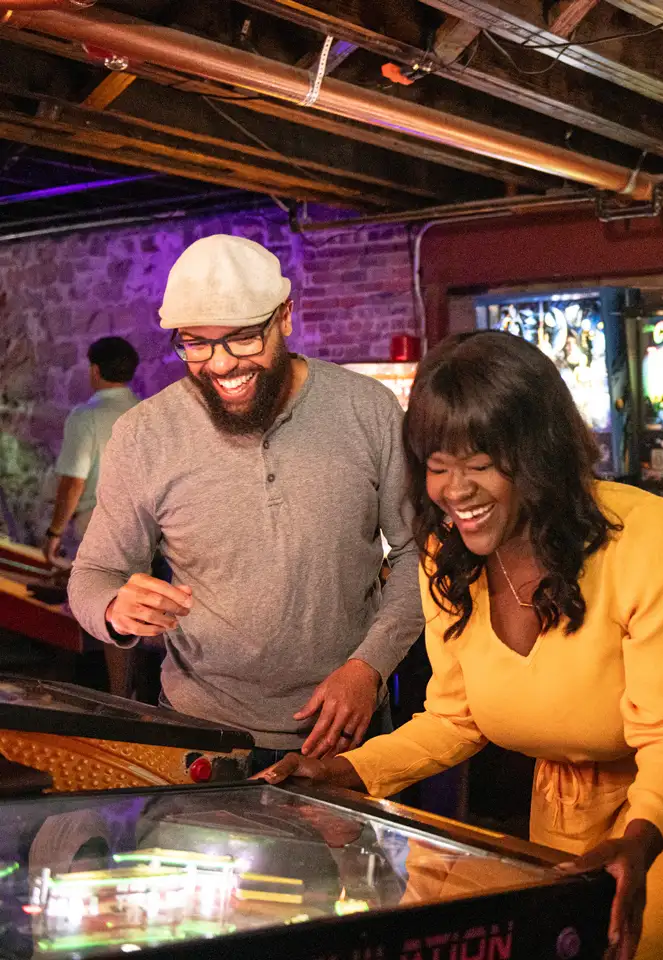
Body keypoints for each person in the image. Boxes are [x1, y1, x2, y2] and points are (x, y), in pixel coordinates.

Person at [260, 331, 663, 960]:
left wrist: (641, 839)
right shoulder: (445, 555)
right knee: (562, 935)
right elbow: (455, 717)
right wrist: (352, 769)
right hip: (569, 760)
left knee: (658, 939)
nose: (454, 490)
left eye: (480, 465)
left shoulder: (646, 535)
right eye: (437, 465)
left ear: (541, 457)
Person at [68, 234, 423, 769]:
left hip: (344, 737)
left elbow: (418, 553)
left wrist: (368, 667)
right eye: (196, 344)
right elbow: (93, 574)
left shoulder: (366, 410)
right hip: (199, 735)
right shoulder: (145, 434)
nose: (221, 365)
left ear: (284, 317)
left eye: (241, 339)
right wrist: (115, 609)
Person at [44, 336, 141, 566]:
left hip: (97, 529)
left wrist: (54, 532)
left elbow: (73, 482)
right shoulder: (146, 413)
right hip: (142, 531)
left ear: (95, 371)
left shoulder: (86, 416)